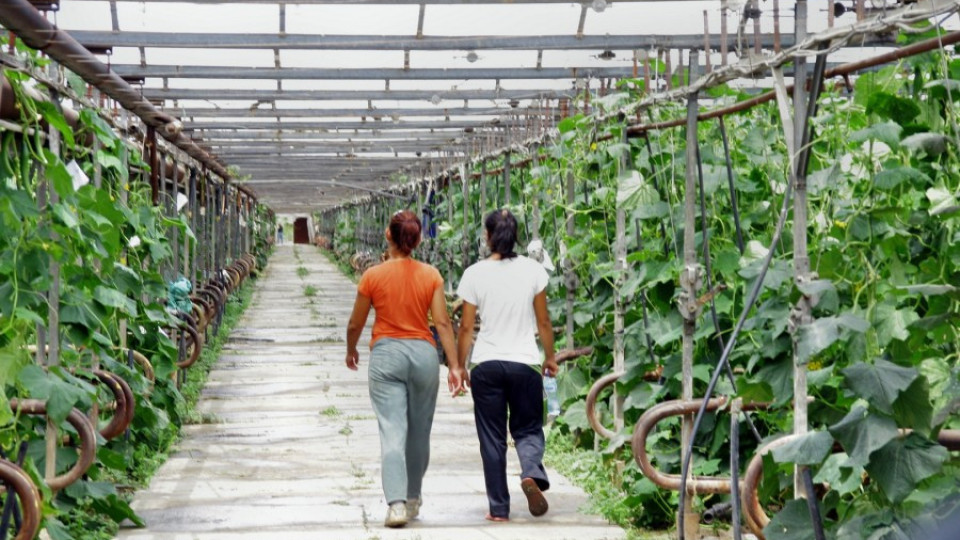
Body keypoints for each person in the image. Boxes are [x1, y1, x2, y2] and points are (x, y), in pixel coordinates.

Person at [345, 210, 467, 528]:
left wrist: (351, 349)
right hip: (424, 356)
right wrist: (454, 366)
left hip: (386, 355)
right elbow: (441, 322)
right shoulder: (431, 275)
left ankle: (396, 504)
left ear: (388, 235)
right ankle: (413, 497)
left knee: (392, 430)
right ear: (417, 239)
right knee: (419, 431)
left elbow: (356, 322)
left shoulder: (373, 276)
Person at [456, 208, 558, 522]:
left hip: (486, 364)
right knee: (528, 428)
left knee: (492, 437)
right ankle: (530, 472)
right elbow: (543, 321)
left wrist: (459, 365)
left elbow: (466, 326)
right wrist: (550, 357)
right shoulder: (533, 271)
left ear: (487, 237)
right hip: (524, 362)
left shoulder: (474, 273)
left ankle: (499, 509)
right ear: (516, 236)